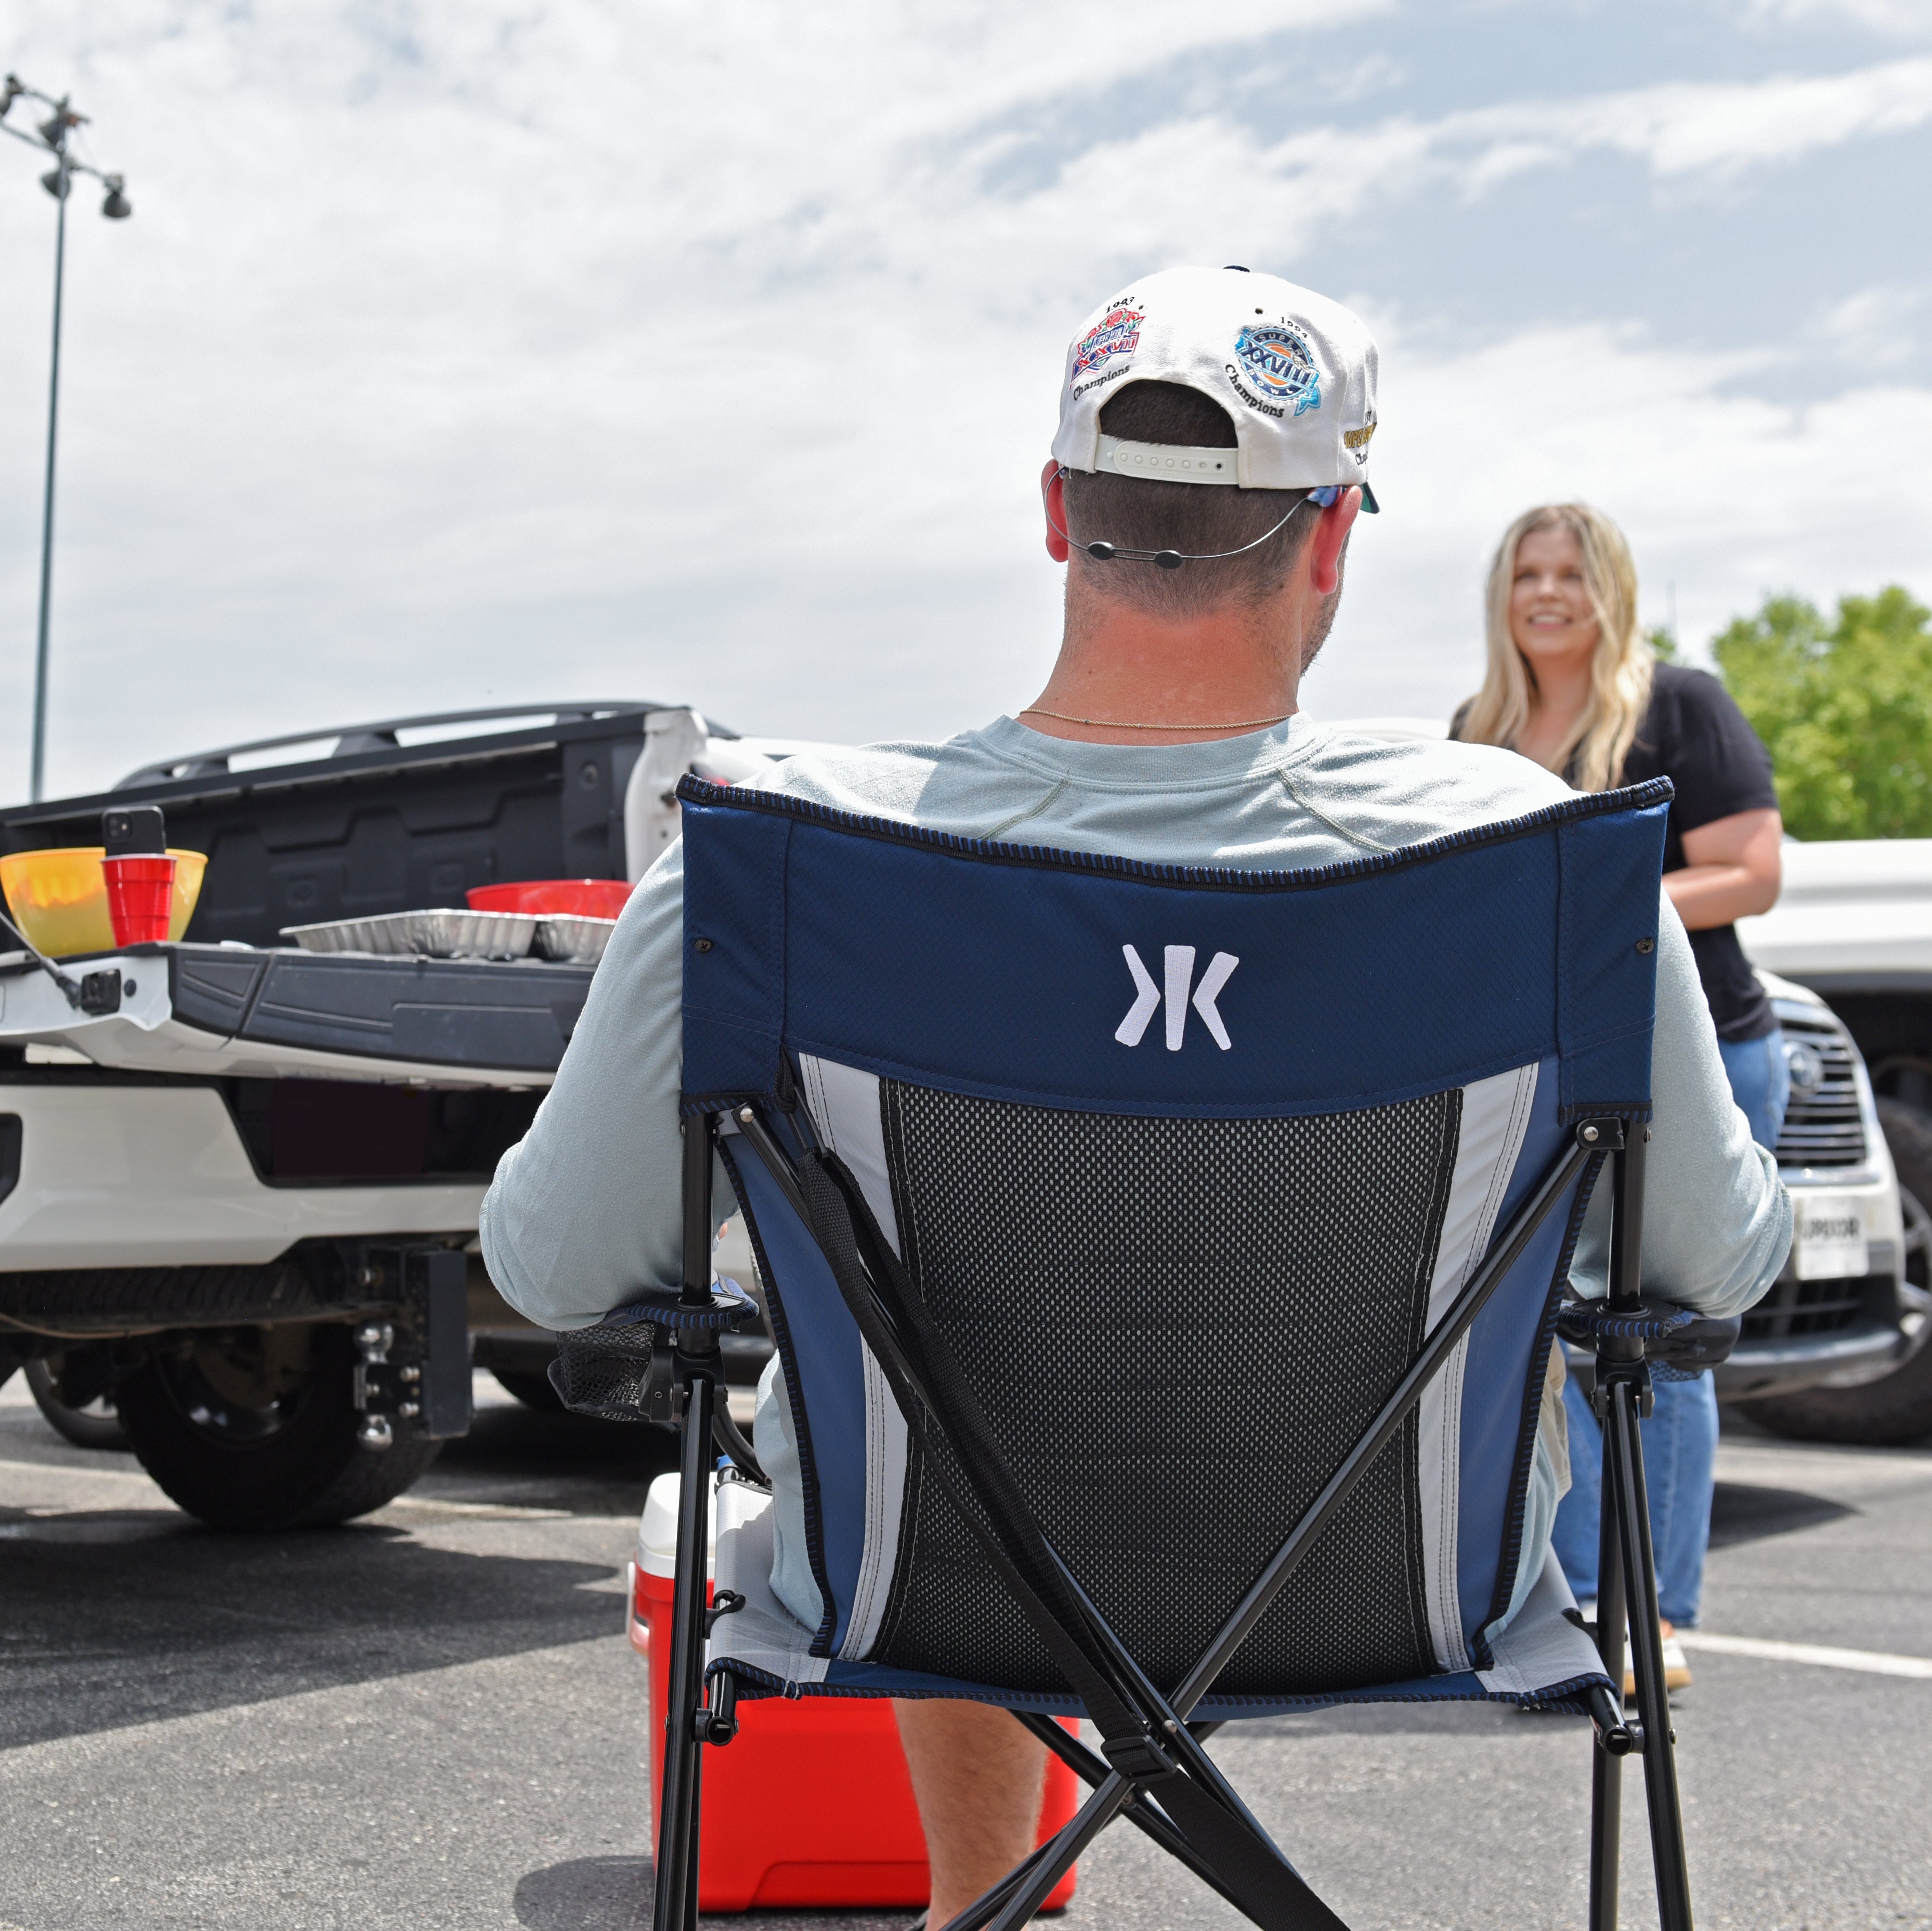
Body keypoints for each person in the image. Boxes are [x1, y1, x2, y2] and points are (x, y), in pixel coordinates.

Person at [480, 269, 1790, 1926]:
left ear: (1052, 513)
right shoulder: (1527, 864)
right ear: (1328, 540)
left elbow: (549, 1270)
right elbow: (1713, 1266)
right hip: (1400, 1592)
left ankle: (988, 1904)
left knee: (938, 1386)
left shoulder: (778, 862)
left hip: (914, 1585)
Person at [1452, 504, 1789, 1685]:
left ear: (1612, 590)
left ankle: (1655, 1612)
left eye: (1570, 574)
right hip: (1554, 1069)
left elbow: (1751, 874)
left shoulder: (1677, 705)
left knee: (1663, 1339)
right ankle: (1580, 1597)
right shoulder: (1477, 733)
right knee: (1547, 1334)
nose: (1547, 593)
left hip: (1701, 1055)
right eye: (1526, 574)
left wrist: (1605, 915)